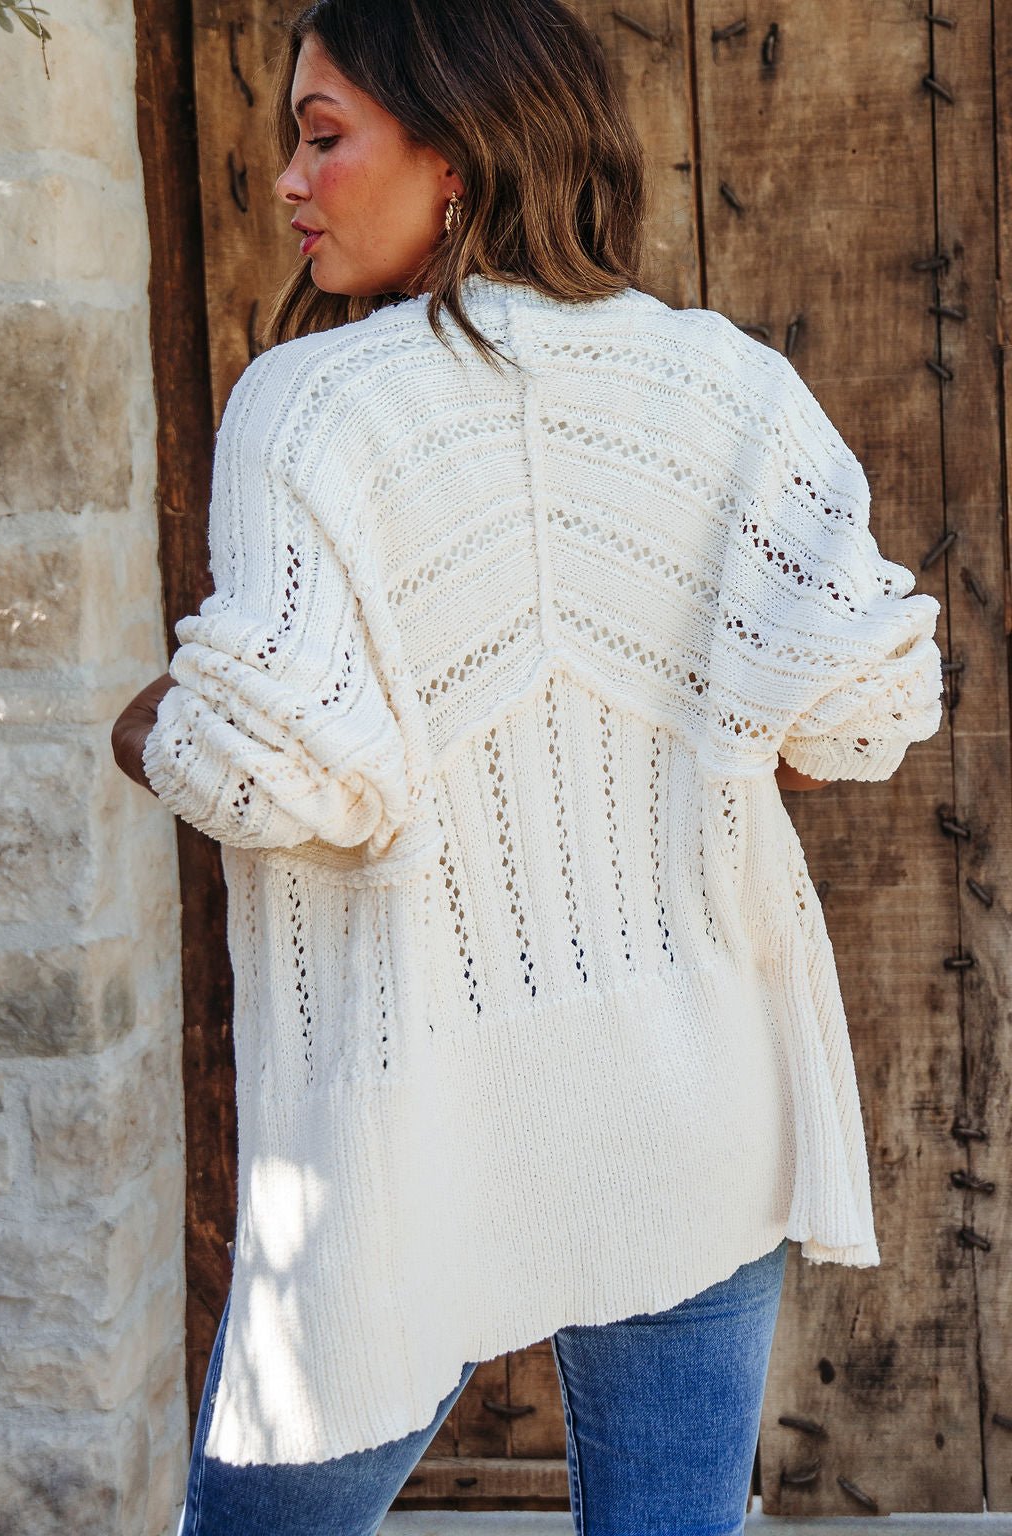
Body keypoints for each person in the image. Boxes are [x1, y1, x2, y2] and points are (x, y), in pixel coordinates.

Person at [111, 1, 945, 1532]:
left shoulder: (314, 404)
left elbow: (275, 768)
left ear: (461, 147)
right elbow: (859, 707)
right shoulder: (728, 385)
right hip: (699, 1082)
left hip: (415, 1109)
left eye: (321, 134)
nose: (288, 181)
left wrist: (149, 723)